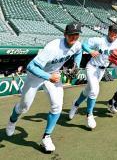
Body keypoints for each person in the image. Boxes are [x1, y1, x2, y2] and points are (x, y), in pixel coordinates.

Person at [6, 23, 83, 153]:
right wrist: (48, 76)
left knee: (57, 106)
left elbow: (79, 51)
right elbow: (31, 66)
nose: (74, 37)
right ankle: (12, 121)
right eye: (71, 35)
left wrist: (77, 64)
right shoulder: (53, 47)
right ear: (65, 34)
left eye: (77, 34)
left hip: (54, 74)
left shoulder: (77, 44)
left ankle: (46, 137)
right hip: (36, 75)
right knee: (24, 107)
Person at [68, 24, 117, 129]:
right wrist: (90, 51)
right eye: (113, 32)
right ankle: (89, 115)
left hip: (102, 70)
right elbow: (83, 44)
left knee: (88, 91)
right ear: (109, 31)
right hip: (92, 67)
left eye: (116, 33)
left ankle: (75, 104)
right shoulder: (99, 40)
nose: (114, 34)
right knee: (94, 91)